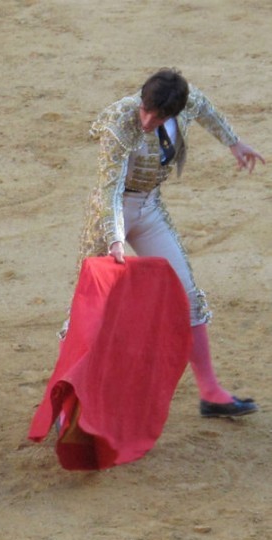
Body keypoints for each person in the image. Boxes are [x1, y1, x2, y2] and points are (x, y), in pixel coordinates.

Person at [74, 68, 265, 418]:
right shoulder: (120, 120)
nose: (147, 121)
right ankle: (71, 403)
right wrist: (114, 237)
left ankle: (211, 393)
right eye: (145, 110)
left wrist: (234, 143)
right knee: (92, 308)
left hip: (148, 208)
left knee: (188, 296)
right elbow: (109, 188)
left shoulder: (187, 102)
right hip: (111, 214)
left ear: (175, 112)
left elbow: (206, 110)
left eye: (158, 117)